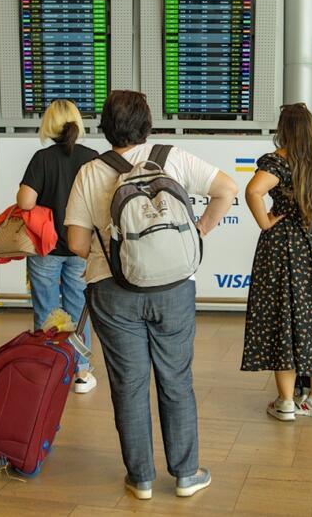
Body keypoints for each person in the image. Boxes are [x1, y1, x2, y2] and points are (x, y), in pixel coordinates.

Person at [66, 91, 238, 500]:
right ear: (147, 124)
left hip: (112, 288)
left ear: (105, 126)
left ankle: (140, 478)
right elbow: (228, 188)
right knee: (176, 379)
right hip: (174, 288)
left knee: (128, 384)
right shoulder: (171, 157)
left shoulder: (90, 172)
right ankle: (186, 473)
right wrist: (198, 232)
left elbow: (75, 242)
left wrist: (109, 247)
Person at [242, 103, 312, 422]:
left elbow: (253, 190)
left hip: (282, 246)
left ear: (284, 129)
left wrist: (266, 222)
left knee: (283, 315)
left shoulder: (279, 160)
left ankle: (286, 402)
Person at [16, 100, 99, 393]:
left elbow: (25, 202)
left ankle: (48, 367)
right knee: (78, 309)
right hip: (81, 246)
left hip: (46, 248)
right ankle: (81, 372)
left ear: (49, 125)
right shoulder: (92, 158)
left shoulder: (42, 159)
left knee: (46, 308)